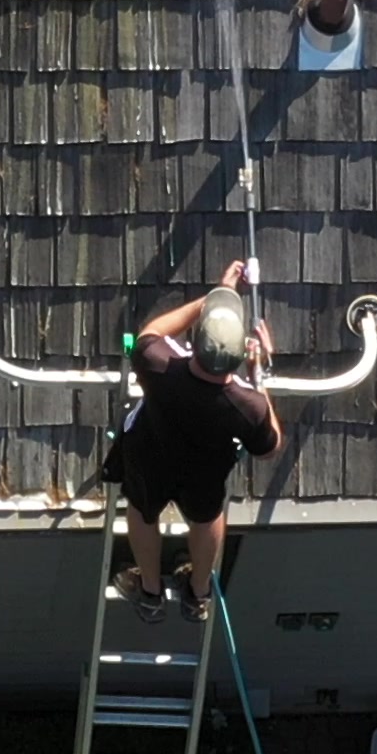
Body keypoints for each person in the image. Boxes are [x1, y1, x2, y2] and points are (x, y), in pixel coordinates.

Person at [106, 259, 280, 624]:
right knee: (206, 519)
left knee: (141, 511)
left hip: (149, 456)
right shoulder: (249, 406)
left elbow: (152, 331)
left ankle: (151, 593)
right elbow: (269, 448)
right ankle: (197, 595)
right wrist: (259, 373)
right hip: (203, 472)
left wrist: (213, 300)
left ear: (196, 340)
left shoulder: (156, 364)